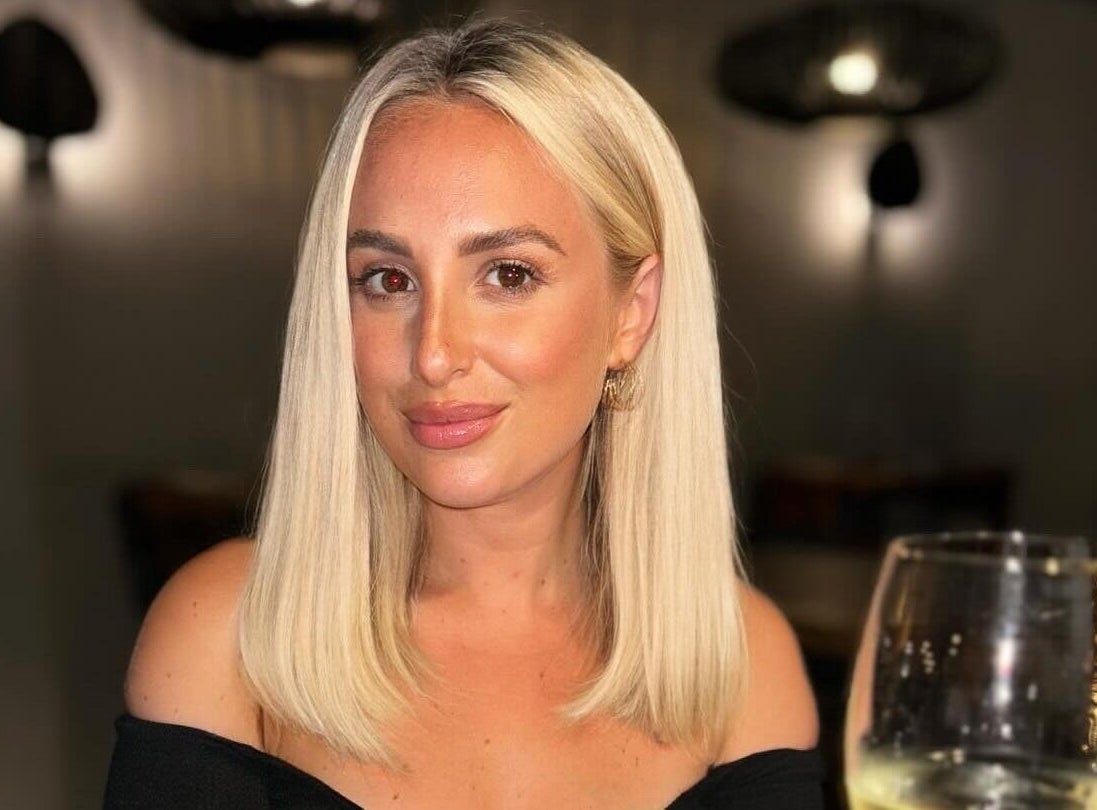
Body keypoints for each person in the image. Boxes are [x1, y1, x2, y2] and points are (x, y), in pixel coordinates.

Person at [104, 18, 821, 809]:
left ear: (631, 312)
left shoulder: (740, 666)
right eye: (387, 280)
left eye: (508, 274)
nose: (434, 354)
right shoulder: (228, 638)